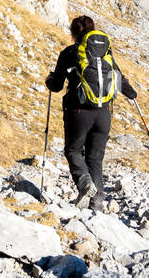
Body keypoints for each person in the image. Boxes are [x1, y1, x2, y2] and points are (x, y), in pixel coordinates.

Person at [45, 15, 137, 212]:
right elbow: (120, 79)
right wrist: (132, 94)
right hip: (103, 112)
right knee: (95, 158)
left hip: (78, 111)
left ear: (74, 32)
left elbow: (56, 85)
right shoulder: (106, 53)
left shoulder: (70, 52)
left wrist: (49, 80)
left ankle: (85, 183)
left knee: (73, 150)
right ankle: (96, 204)